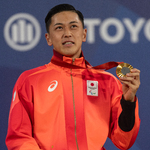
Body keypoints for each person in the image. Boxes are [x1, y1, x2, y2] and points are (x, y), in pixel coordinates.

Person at [6, 4, 141, 150]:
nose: (67, 33)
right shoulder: (30, 80)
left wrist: (128, 102)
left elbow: (123, 141)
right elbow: (19, 138)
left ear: (84, 34)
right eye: (59, 28)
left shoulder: (107, 82)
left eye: (73, 26)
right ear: (48, 38)